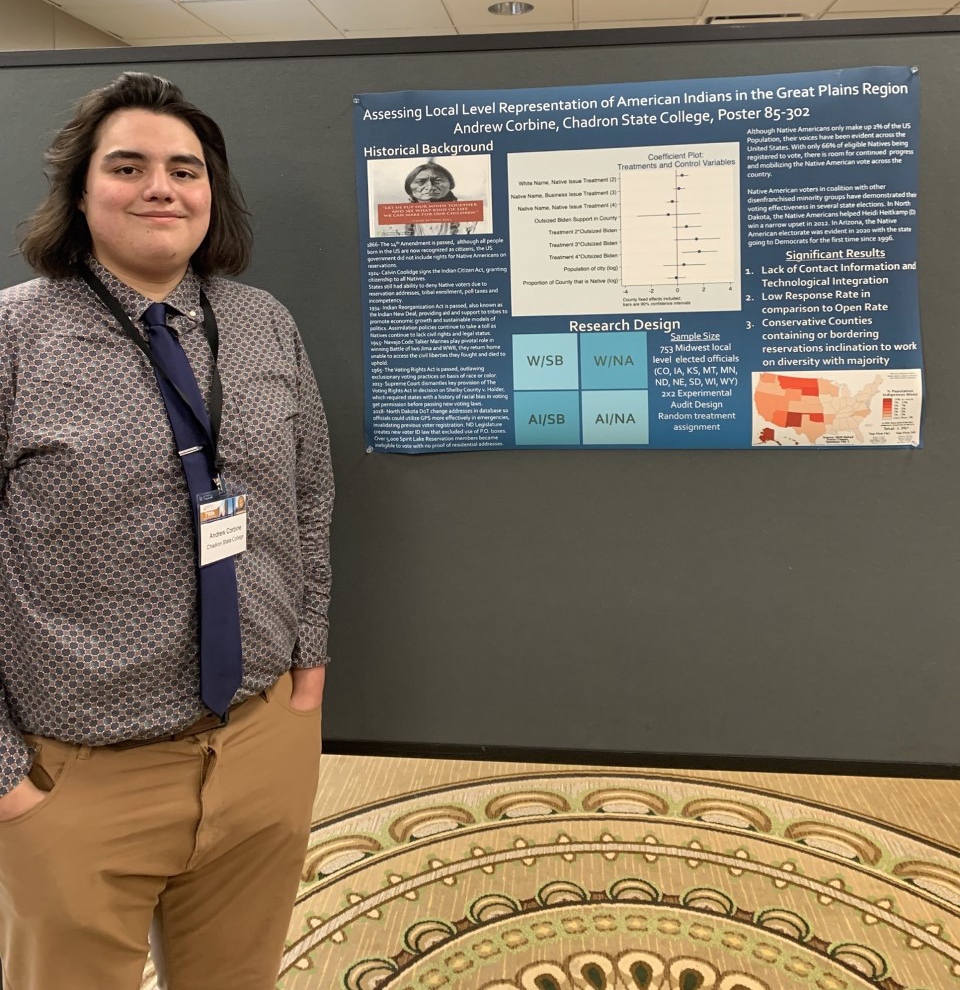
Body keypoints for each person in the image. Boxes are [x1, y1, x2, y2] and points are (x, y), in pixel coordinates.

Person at [0, 72, 334, 990]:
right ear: (79, 191)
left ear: (210, 193)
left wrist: (308, 668)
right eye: (129, 165)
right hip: (73, 776)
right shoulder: (12, 338)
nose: (162, 187)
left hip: (260, 742)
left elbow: (307, 497)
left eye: (185, 169)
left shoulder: (263, 325)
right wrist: (6, 780)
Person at [396, 161, 479, 235]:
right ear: (409, 188)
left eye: (438, 181)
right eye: (421, 182)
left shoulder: (468, 212)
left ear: (450, 185)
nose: (430, 187)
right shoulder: (398, 216)